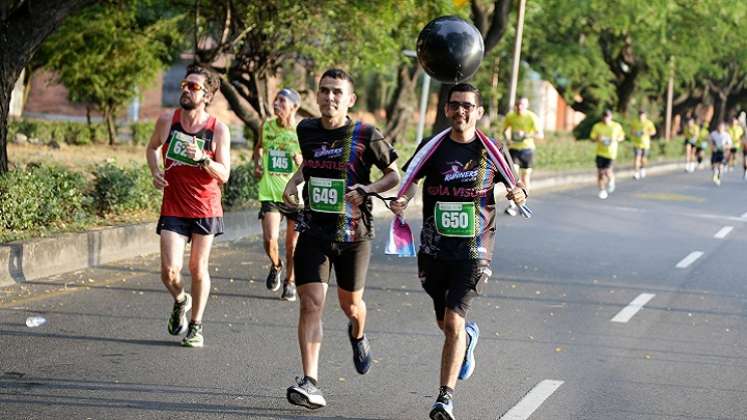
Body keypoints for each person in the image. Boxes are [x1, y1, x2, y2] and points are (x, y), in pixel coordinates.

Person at [390, 83, 526, 420]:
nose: (460, 111)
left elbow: (517, 184)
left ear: (478, 112)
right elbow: (409, 181)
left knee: (452, 319)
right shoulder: (432, 147)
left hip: (475, 249)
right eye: (455, 105)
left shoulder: (491, 150)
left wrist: (520, 194)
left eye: (468, 106)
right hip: (435, 248)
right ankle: (467, 337)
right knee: (445, 322)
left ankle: (444, 399)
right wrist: (402, 200)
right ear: (447, 109)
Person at [282, 68, 400, 409]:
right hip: (315, 230)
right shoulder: (306, 129)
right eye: (324, 91)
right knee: (310, 303)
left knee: (350, 305)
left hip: (354, 236)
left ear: (350, 99)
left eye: (337, 92)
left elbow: (395, 174)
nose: (329, 97)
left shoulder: (366, 133)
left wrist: (368, 188)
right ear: (316, 96)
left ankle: (358, 333)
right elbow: (311, 162)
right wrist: (295, 181)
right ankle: (310, 381)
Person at [145, 64, 231, 347]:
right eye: (185, 84)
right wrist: (155, 171)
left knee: (197, 268)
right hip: (173, 205)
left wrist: (204, 158)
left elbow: (225, 174)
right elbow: (152, 147)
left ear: (207, 95)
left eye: (193, 87)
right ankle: (181, 300)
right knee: (169, 272)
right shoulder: (168, 120)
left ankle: (196, 325)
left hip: (205, 207)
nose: (186, 90)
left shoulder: (217, 129)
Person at [253, 88, 303, 301]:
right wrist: (257, 163)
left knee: (292, 246)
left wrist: (302, 161)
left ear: (294, 106)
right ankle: (276, 265)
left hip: (294, 196)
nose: (276, 104)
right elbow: (258, 149)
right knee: (269, 239)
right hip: (270, 192)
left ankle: (290, 282)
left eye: (282, 101)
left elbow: (312, 162)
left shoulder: (302, 131)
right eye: (275, 100)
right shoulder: (267, 125)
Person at [502, 97, 542, 215]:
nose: (519, 107)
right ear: (515, 105)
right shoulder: (510, 116)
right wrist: (508, 139)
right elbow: (504, 130)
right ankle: (512, 205)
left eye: (522, 105)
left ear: (526, 105)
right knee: (512, 178)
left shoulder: (531, 117)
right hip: (513, 149)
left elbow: (540, 134)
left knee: (525, 178)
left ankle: (523, 202)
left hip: (527, 150)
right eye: (518, 105)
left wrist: (526, 135)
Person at [590, 110, 625, 199]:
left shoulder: (616, 126)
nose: (606, 118)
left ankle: (611, 180)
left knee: (607, 171)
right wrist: (597, 138)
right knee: (600, 173)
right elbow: (592, 139)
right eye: (604, 116)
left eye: (608, 116)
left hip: (611, 153)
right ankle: (602, 190)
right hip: (600, 152)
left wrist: (616, 139)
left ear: (611, 117)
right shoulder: (597, 126)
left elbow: (622, 137)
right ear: (602, 117)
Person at [630, 111, 656, 179]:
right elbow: (631, 131)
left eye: (642, 115)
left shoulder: (649, 123)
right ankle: (636, 173)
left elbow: (653, 132)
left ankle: (642, 168)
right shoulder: (635, 122)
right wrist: (635, 133)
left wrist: (646, 132)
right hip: (637, 143)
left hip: (645, 144)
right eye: (640, 115)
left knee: (643, 159)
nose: (641, 117)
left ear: (645, 116)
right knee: (637, 158)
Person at [709, 121, 732, 186]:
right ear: (717, 127)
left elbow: (730, 145)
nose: (720, 128)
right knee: (714, 166)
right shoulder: (713, 134)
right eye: (719, 127)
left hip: (722, 152)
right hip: (715, 152)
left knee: (721, 166)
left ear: (724, 128)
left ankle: (718, 178)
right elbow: (710, 141)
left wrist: (725, 146)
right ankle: (715, 173)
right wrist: (712, 146)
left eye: (721, 127)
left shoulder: (726, 135)